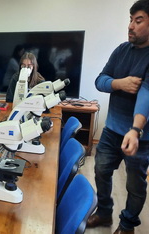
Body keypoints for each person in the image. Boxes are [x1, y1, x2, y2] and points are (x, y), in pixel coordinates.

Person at [87, 1, 149, 233]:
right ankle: (104, 213)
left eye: (138, 20)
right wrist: (119, 83)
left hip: (140, 137)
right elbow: (100, 80)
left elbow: (146, 92)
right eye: (130, 19)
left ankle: (127, 225)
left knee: (135, 185)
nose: (130, 26)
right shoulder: (122, 50)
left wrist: (135, 129)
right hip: (112, 130)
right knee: (101, 170)